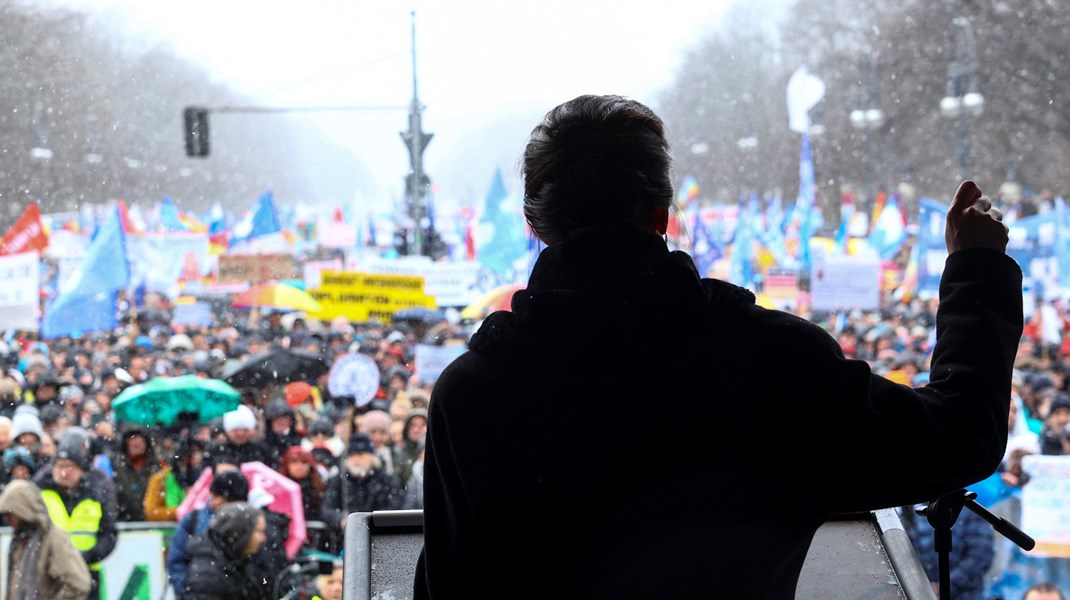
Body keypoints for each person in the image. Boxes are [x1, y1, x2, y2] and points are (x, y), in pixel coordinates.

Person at [414, 95, 1021, 599]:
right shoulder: (774, 364)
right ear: (662, 213)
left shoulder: (472, 394)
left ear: (534, 223)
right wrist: (977, 269)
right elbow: (962, 434)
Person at [36, 432, 118, 600]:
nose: (64, 473)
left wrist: (89, 555)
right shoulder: (41, 493)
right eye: (60, 467)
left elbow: (109, 534)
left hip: (88, 571)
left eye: (70, 467)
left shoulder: (96, 494)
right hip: (51, 573)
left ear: (81, 469)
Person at [0, 479, 92, 600]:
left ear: (24, 510)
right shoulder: (19, 541)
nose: (7, 520)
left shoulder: (54, 538)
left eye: (10, 514)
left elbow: (78, 584)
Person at [166, 469, 249, 593]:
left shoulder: (253, 524)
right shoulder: (194, 520)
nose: (212, 502)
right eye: (213, 496)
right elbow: (176, 559)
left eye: (218, 497)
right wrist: (187, 589)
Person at [179, 501, 268, 600]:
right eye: (258, 531)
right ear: (241, 533)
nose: (263, 538)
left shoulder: (240, 561)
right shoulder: (208, 576)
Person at [112, 426, 159, 521]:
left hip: (154, 526)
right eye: (132, 439)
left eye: (139, 439)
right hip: (126, 525)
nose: (136, 442)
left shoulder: (158, 468)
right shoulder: (116, 468)